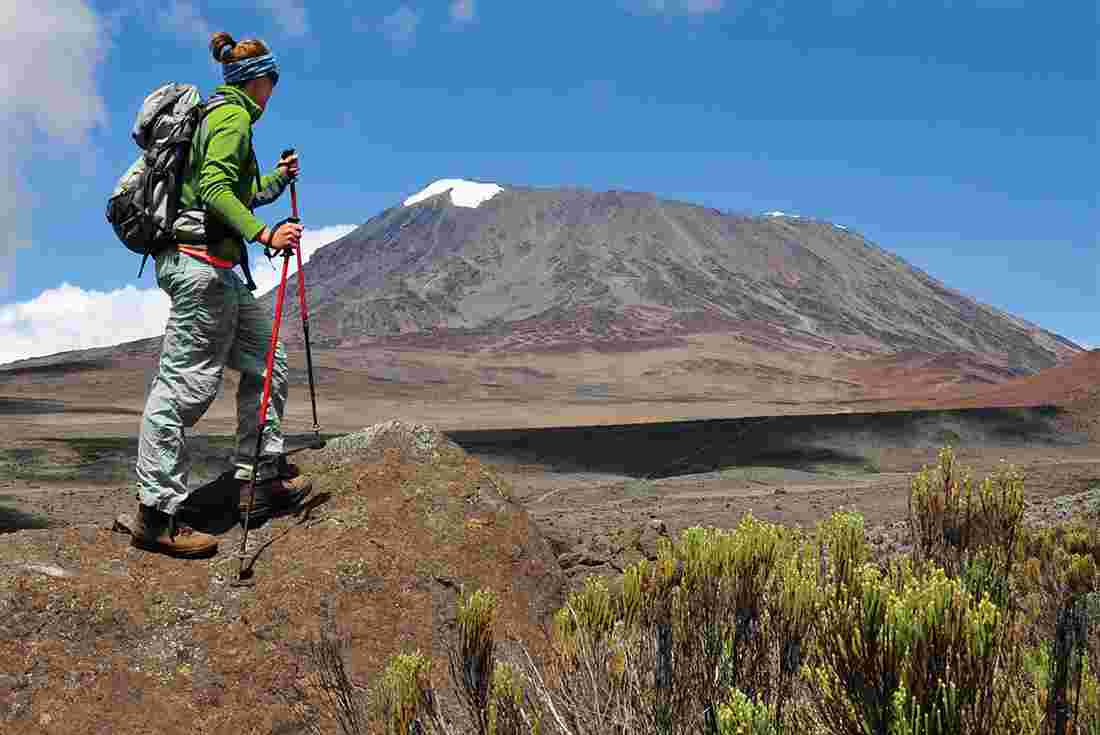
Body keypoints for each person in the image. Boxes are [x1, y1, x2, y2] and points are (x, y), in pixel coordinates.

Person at [131, 32, 312, 557]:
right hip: (201, 268)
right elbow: (212, 191)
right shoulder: (231, 118)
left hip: (220, 271)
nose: (273, 91)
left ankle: (259, 478)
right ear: (261, 81)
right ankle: (156, 515)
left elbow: (237, 193)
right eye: (272, 82)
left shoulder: (227, 118)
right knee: (185, 387)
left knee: (266, 362)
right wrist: (265, 234)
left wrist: (277, 181)